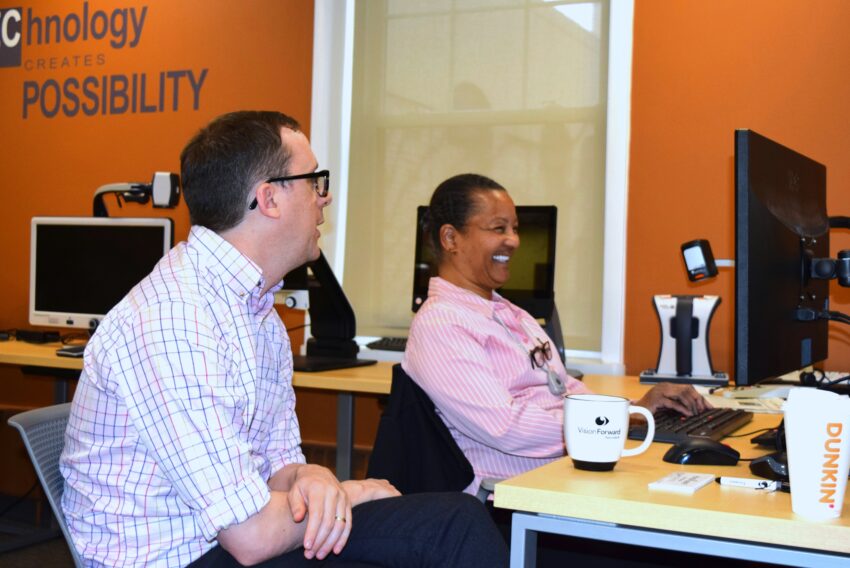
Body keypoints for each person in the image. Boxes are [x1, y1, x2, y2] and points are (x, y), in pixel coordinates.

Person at [60, 113, 508, 567]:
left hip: (229, 540)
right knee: (446, 530)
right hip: (180, 558)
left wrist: (311, 474)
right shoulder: (174, 321)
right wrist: (350, 492)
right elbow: (251, 535)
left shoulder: (256, 312)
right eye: (314, 182)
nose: (324, 198)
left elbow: (278, 469)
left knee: (454, 520)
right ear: (269, 198)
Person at [403, 173, 710, 495]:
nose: (514, 240)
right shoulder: (442, 325)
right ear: (451, 239)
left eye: (515, 228)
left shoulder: (510, 313)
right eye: (499, 228)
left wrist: (636, 408)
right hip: (516, 494)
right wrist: (618, 423)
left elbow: (566, 390)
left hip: (562, 474)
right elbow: (506, 427)